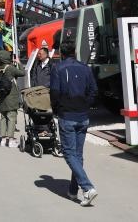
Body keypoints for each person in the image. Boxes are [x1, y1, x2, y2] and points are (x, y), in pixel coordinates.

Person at [51, 40, 99, 206]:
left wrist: (56, 110)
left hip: (67, 115)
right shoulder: (85, 68)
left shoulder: (58, 68)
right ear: (75, 51)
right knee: (77, 155)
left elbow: (54, 93)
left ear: (61, 53)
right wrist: (85, 104)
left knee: (69, 153)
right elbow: (94, 90)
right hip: (83, 116)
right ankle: (73, 190)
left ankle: (87, 187)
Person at [0, 50, 23, 147]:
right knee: (11, 117)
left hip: (2, 96)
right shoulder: (10, 68)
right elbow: (23, 73)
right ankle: (11, 140)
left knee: (3, 117)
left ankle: (3, 139)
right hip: (11, 96)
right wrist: (19, 63)